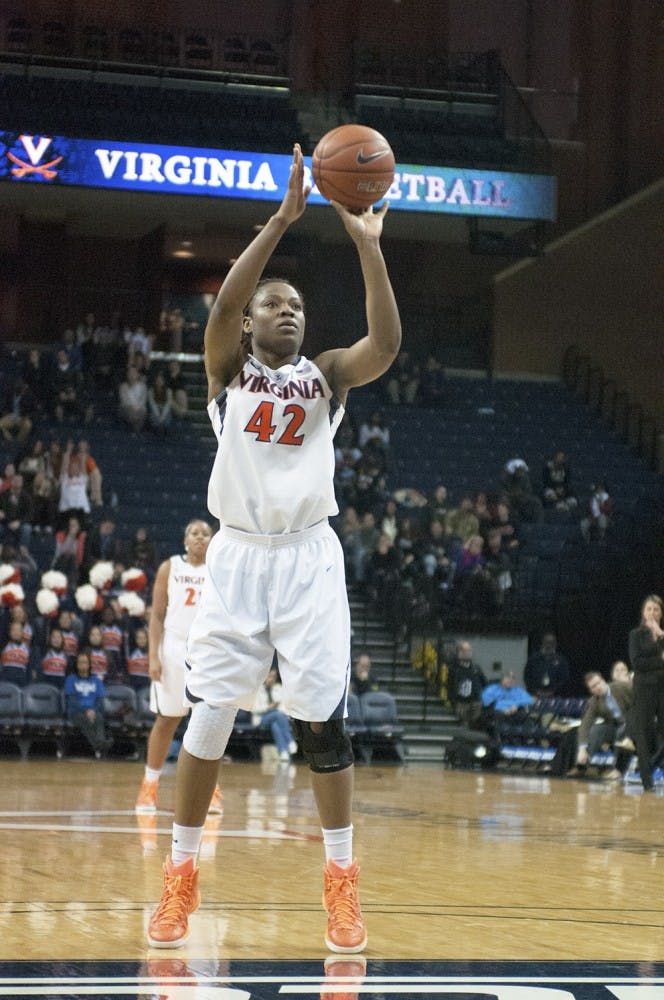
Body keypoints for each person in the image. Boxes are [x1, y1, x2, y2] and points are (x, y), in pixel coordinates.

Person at [147, 143, 401, 953]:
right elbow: (222, 306)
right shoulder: (227, 371)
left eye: (296, 305)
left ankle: (342, 882)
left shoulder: (325, 376)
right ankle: (180, 876)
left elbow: (384, 345)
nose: (287, 311)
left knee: (324, 726)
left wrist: (367, 246)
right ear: (251, 322)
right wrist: (284, 221)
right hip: (239, 558)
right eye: (273, 304)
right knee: (209, 720)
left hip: (308, 560)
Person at [135, 520, 222, 814]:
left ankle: (210, 790)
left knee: (209, 722)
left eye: (206, 534)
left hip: (207, 650)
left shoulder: (219, 569)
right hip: (173, 648)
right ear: (185, 540)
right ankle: (149, 786)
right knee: (167, 720)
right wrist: (154, 656)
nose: (200, 538)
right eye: (195, 533)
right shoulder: (169, 567)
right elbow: (157, 616)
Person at [550, 670, 634, 780]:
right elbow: (585, 725)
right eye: (593, 687)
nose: (598, 687)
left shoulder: (620, 687)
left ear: (603, 681)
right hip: (614, 726)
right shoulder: (594, 701)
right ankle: (582, 766)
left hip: (634, 722)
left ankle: (618, 769)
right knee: (596, 730)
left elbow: (640, 693)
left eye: (598, 683)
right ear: (591, 691)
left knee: (622, 730)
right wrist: (582, 749)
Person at [628, 594, 664, 791]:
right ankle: (646, 780)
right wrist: (660, 661)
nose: (652, 613)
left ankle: (651, 765)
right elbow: (637, 663)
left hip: (662, 687)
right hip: (643, 687)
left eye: (656, 609)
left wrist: (660, 634)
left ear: (661, 613)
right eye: (649, 609)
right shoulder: (636, 635)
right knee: (643, 732)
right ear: (643, 612)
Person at [63, 649, 112, 759]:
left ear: (89, 664)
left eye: (85, 662)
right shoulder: (71, 679)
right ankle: (100, 746)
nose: (82, 665)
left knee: (99, 718)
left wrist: (93, 710)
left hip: (93, 711)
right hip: (76, 712)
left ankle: (99, 745)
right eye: (80, 662)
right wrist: (86, 711)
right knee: (84, 720)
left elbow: (99, 700)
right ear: (76, 665)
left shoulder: (97, 680)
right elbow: (72, 700)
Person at [251, 665, 298, 762]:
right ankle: (290, 740)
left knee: (275, 725)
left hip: (278, 719)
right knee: (277, 715)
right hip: (261, 719)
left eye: (274, 676)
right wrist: (269, 707)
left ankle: (283, 752)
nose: (272, 679)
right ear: (264, 676)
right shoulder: (258, 690)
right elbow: (255, 709)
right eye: (270, 676)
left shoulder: (278, 688)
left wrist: (277, 709)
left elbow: (283, 706)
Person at [447, 640, 487, 726]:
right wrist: (453, 701)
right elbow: (450, 686)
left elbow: (485, 684)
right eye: (464, 650)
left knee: (475, 724)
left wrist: (482, 699)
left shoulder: (476, 668)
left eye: (469, 650)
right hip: (461, 703)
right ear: (458, 652)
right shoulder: (454, 669)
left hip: (476, 702)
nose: (467, 653)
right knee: (463, 725)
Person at [523, 632, 570, 697]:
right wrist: (536, 691)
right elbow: (527, 677)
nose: (549, 645)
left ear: (555, 644)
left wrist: (553, 692)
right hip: (535, 695)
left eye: (551, 643)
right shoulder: (533, 659)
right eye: (547, 642)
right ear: (542, 643)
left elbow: (564, 680)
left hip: (555, 697)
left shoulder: (561, 661)